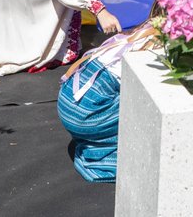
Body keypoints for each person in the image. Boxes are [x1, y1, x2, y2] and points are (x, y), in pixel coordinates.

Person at [57, 17, 163, 183]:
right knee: (152, 107)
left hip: (68, 101)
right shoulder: (155, 51)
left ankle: (94, 149)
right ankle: (106, 159)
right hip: (87, 115)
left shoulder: (141, 32)